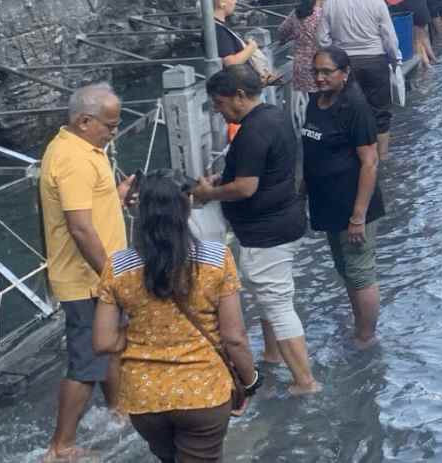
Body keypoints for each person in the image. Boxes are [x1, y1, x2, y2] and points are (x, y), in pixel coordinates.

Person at [93, 172, 259, 463]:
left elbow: (103, 341)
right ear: (188, 204)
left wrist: (142, 334)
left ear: (138, 209)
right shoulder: (217, 259)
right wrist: (249, 381)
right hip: (204, 394)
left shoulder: (117, 266)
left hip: (144, 400)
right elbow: (235, 338)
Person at [189, 65, 320, 393]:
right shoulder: (272, 116)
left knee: (277, 302)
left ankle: (305, 381)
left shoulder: (252, 131)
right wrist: (225, 180)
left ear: (240, 96)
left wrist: (209, 193)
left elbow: (247, 187)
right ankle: (274, 355)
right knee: (268, 295)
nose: (218, 111)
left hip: (268, 231)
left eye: (219, 104)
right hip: (282, 220)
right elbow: (262, 171)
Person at [39, 83, 135, 459]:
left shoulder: (83, 148)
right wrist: (111, 275)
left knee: (112, 343)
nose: (114, 132)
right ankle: (61, 447)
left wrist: (117, 194)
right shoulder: (73, 159)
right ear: (83, 121)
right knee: (85, 363)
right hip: (87, 280)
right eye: (109, 126)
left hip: (100, 275)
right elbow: (79, 227)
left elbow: (89, 206)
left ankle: (119, 409)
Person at [301, 46, 385, 349]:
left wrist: (358, 216)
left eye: (327, 72)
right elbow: (311, 153)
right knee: (344, 267)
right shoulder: (315, 103)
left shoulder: (355, 107)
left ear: (345, 73)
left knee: (360, 271)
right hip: (326, 203)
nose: (320, 78)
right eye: (316, 72)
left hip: (353, 206)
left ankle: (366, 337)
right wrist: (302, 194)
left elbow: (370, 162)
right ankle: (357, 324)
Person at [318, 0, 400, 157]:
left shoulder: (330, 4)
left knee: (347, 109)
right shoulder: (376, 1)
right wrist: (394, 58)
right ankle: (382, 157)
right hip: (375, 61)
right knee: (380, 111)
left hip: (345, 64)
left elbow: (322, 39)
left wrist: (336, 56)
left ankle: (354, 157)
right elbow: (388, 35)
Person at [276, 0, 328, 121]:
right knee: (324, 101)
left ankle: (310, 129)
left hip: (301, 64)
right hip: (321, 64)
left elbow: (281, 32)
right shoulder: (323, 14)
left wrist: (294, 35)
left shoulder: (297, 12)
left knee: (311, 101)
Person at [207, 0, 264, 73]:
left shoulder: (218, 26)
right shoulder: (217, 30)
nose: (235, 1)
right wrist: (251, 47)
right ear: (222, 2)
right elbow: (231, 63)